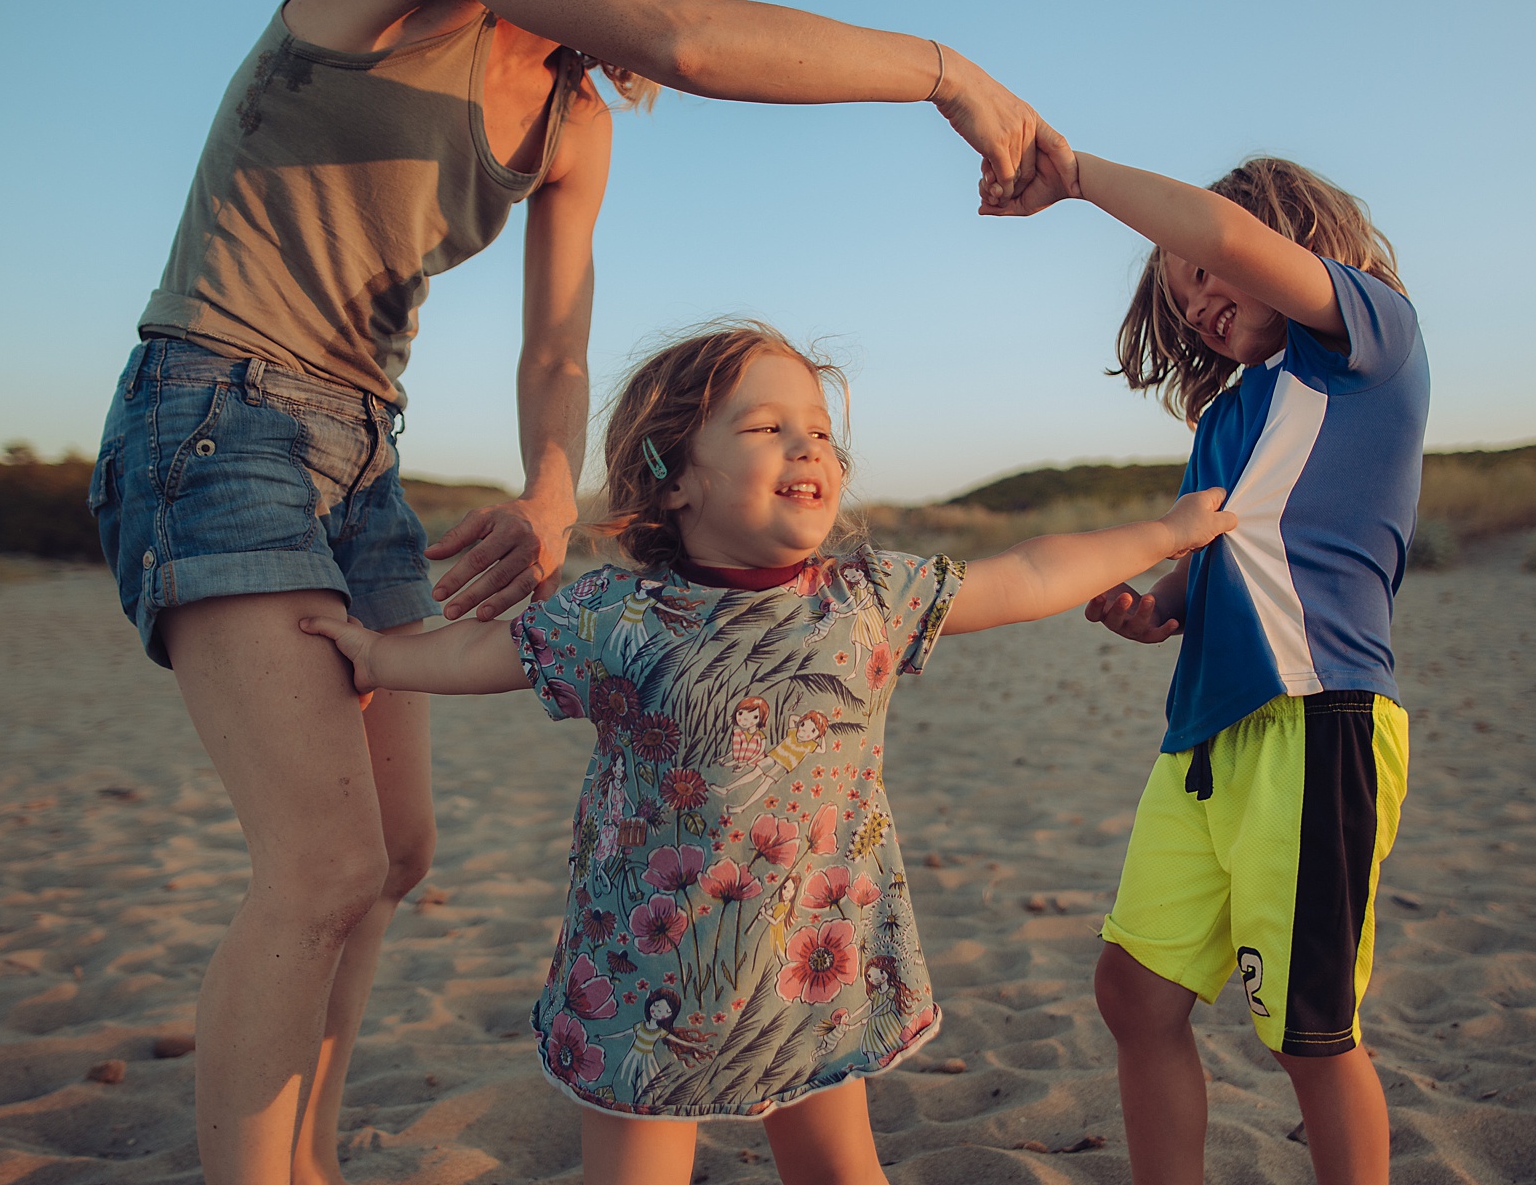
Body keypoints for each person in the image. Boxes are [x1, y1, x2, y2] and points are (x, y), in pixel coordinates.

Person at [87, 0, 1067, 1180]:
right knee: (320, 865)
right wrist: (951, 73)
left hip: (360, 444)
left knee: (395, 854)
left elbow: (554, 350)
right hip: (216, 412)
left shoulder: (574, 123)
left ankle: (310, 1158)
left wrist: (551, 492)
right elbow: (684, 39)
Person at [301, 320, 1235, 1184]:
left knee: (838, 1170)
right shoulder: (619, 616)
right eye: (767, 427)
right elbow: (483, 650)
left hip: (813, 965)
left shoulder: (867, 598)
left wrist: (1164, 534)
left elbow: (1028, 572)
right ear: (676, 478)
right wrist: (383, 654)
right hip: (646, 979)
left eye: (821, 432)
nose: (809, 448)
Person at [984, 153, 1428, 1185]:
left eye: (1208, 272)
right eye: (1180, 291)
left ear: (1291, 243)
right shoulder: (1228, 417)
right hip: (1201, 740)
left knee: (1309, 1030)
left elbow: (1228, 238)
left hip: (1317, 724)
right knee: (1132, 993)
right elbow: (1220, 545)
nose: (1200, 299)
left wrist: (1080, 176)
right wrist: (1159, 608)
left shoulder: (1371, 346)